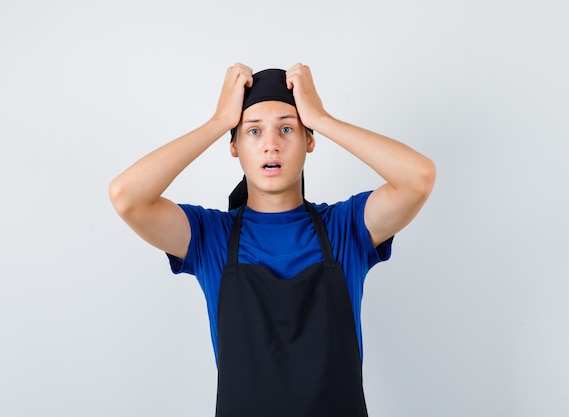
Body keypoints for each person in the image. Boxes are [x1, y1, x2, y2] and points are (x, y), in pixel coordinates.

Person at [109, 63, 436, 417]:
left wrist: (322, 118)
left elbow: (418, 177)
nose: (271, 145)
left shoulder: (346, 228)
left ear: (309, 141)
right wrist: (218, 122)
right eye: (252, 132)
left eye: (286, 128)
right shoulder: (210, 238)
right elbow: (127, 196)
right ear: (234, 146)